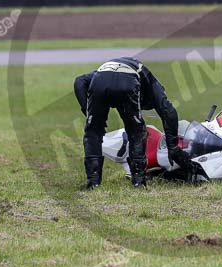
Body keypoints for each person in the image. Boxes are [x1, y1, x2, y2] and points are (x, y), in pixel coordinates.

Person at [73, 57, 190, 189]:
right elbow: (169, 113)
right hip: (127, 81)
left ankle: (93, 183)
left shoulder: (103, 71)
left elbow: (79, 82)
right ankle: (138, 182)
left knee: (93, 132)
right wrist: (173, 148)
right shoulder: (153, 84)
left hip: (100, 81)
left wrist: (89, 113)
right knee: (137, 132)